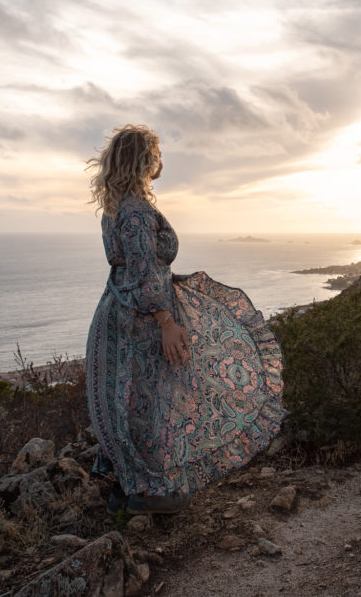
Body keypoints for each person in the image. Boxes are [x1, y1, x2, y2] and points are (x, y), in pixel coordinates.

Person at [85, 124, 285, 515]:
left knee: (130, 399)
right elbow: (144, 272)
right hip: (142, 319)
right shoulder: (138, 212)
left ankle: (132, 485)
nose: (162, 162)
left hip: (115, 312)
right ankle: (149, 492)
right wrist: (166, 322)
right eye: (157, 154)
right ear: (144, 159)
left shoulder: (116, 207)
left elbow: (135, 268)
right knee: (152, 398)